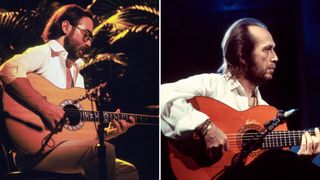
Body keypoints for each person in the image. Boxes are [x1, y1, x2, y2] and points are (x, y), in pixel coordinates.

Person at [161, 18, 320, 179]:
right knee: (277, 159)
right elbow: (161, 94)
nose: (275, 57)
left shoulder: (270, 114)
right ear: (242, 55)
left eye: (274, 50)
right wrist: (205, 127)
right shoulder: (210, 85)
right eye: (267, 50)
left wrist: (301, 162)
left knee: (282, 160)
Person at [0, 4, 138, 180]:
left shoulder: (77, 76)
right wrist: (45, 107)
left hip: (64, 150)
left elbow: (75, 134)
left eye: (91, 38)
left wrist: (109, 134)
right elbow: (8, 69)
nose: (89, 42)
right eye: (86, 35)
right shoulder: (45, 53)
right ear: (66, 27)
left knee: (127, 171)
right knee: (102, 154)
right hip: (35, 154)